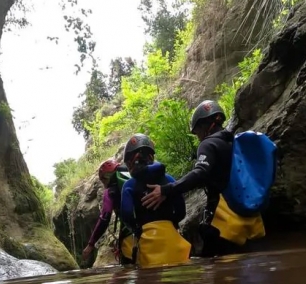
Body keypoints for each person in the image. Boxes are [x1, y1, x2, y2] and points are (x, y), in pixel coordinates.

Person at [141, 100, 266, 257]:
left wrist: (166, 190)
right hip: (250, 215)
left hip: (224, 219)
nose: (198, 137)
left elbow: (200, 173)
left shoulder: (208, 144)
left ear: (204, 126)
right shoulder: (233, 142)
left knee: (217, 270)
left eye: (197, 132)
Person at [120, 134, 191, 268]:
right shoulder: (169, 180)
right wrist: (172, 222)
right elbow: (181, 211)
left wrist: (137, 229)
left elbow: (126, 214)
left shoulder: (129, 185)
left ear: (131, 160)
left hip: (149, 246)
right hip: (174, 244)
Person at [82, 158, 134, 264]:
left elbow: (105, 217)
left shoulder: (109, 192)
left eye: (103, 181)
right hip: (150, 227)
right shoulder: (133, 178)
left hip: (130, 234)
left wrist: (91, 244)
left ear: (106, 178)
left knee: (128, 272)